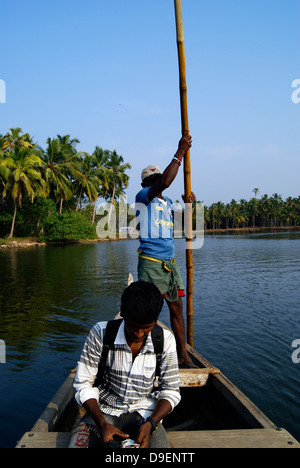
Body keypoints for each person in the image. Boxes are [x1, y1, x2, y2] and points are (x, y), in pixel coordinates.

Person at [69, 281, 181, 448]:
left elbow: (171, 391)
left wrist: (151, 423)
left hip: (145, 414)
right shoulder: (101, 333)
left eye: (147, 328)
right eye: (133, 327)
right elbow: (82, 384)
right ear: (122, 313)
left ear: (156, 320)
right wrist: (103, 424)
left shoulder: (165, 340)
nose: (139, 334)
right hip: (103, 411)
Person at [135, 132, 196, 367]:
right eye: (155, 181)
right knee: (148, 312)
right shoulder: (143, 197)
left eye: (158, 179)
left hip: (169, 263)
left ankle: (182, 355)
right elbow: (166, 182)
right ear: (147, 185)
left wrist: (189, 205)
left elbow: (185, 223)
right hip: (151, 262)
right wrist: (180, 152)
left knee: (176, 308)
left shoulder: (169, 203)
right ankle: (144, 357)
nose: (158, 183)